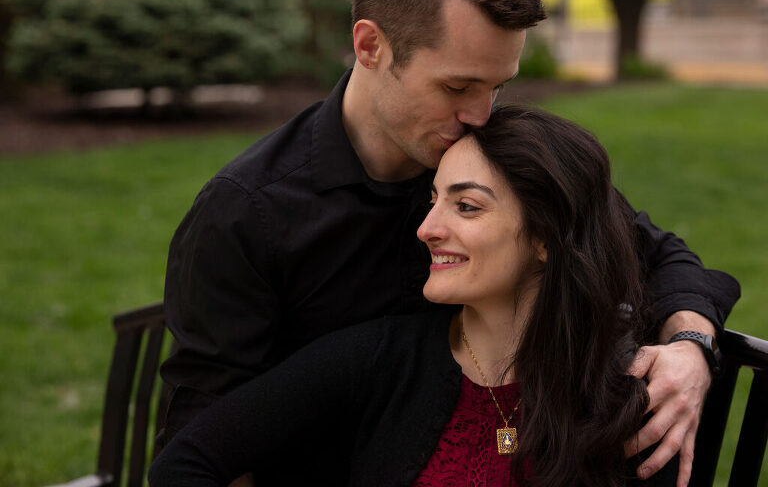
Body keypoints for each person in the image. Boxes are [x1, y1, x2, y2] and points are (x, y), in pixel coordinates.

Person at [158, 0, 739, 483]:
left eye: (498, 86)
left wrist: (690, 346)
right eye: (457, 87)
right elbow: (203, 435)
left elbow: (652, 253)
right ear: (370, 46)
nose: (480, 116)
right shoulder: (249, 212)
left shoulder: (489, 158)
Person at [151, 106, 682, 486]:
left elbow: (672, 259)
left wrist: (692, 343)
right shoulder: (378, 358)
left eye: (466, 207)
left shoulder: (626, 392)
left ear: (545, 239)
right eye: (433, 201)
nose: (426, 228)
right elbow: (187, 458)